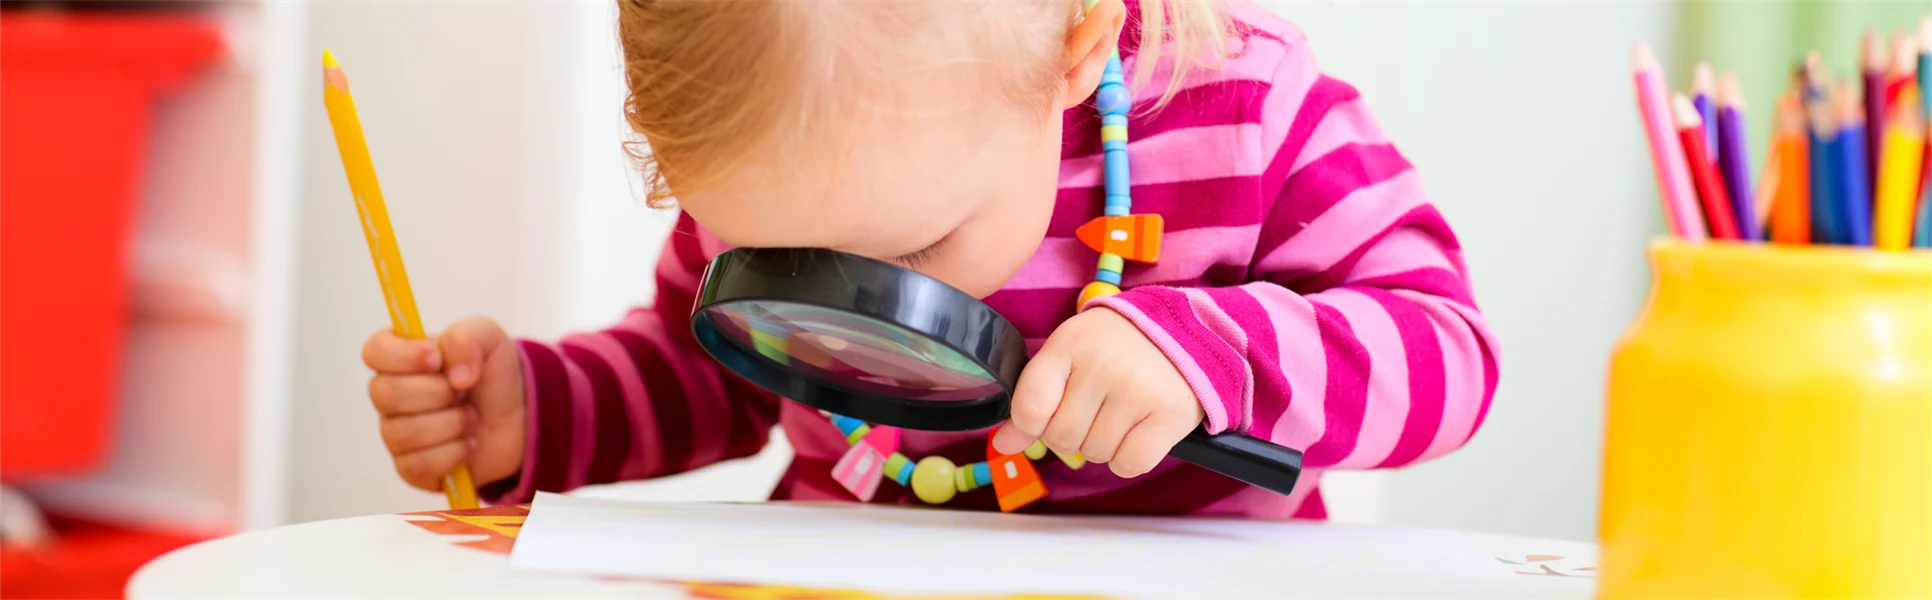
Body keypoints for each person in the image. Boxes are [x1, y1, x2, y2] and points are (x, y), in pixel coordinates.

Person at [360, 0, 1499, 518]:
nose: (844, 299)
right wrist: (535, 413)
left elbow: (1451, 354)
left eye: (912, 250)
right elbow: (710, 368)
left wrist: (1217, 353)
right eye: (772, 256)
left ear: (1074, 43)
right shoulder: (790, 161)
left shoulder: (1242, 109)